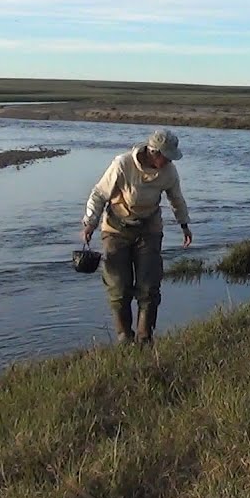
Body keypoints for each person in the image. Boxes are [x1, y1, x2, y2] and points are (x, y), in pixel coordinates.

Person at [81, 128, 192, 345]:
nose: (170, 162)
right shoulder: (123, 165)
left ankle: (145, 339)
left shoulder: (169, 172)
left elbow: (176, 199)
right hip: (116, 230)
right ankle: (124, 337)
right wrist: (90, 223)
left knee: (149, 286)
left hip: (149, 229)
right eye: (167, 157)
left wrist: (184, 225)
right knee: (119, 286)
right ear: (154, 153)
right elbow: (99, 194)